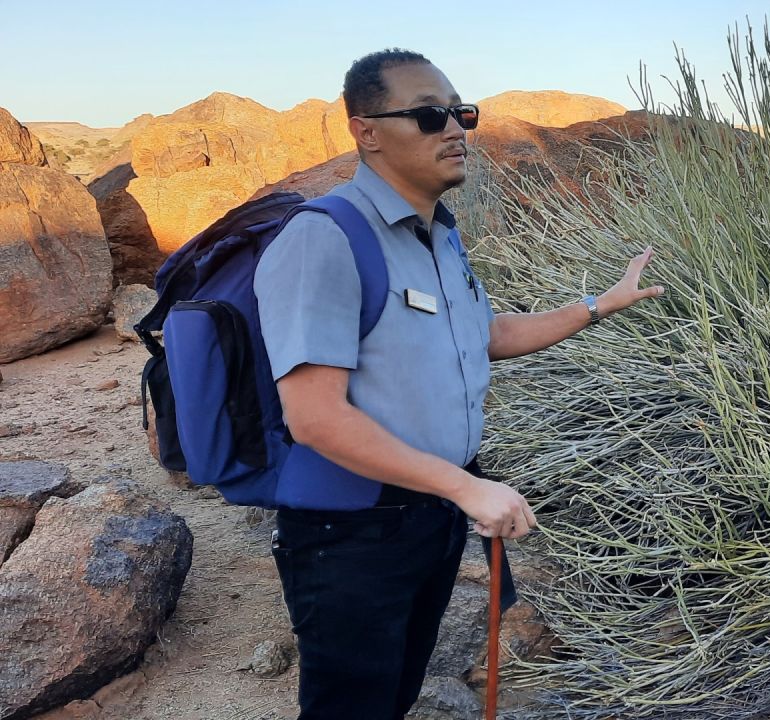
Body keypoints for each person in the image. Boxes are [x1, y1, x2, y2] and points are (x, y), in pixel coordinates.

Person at [254, 48, 664, 719]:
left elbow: (486, 334)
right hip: (352, 530)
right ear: (366, 131)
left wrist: (598, 307)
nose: (454, 128)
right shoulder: (324, 238)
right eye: (429, 114)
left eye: (461, 112)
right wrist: (467, 487)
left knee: (397, 692)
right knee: (350, 706)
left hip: (432, 515)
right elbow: (315, 418)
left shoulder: (438, 234)